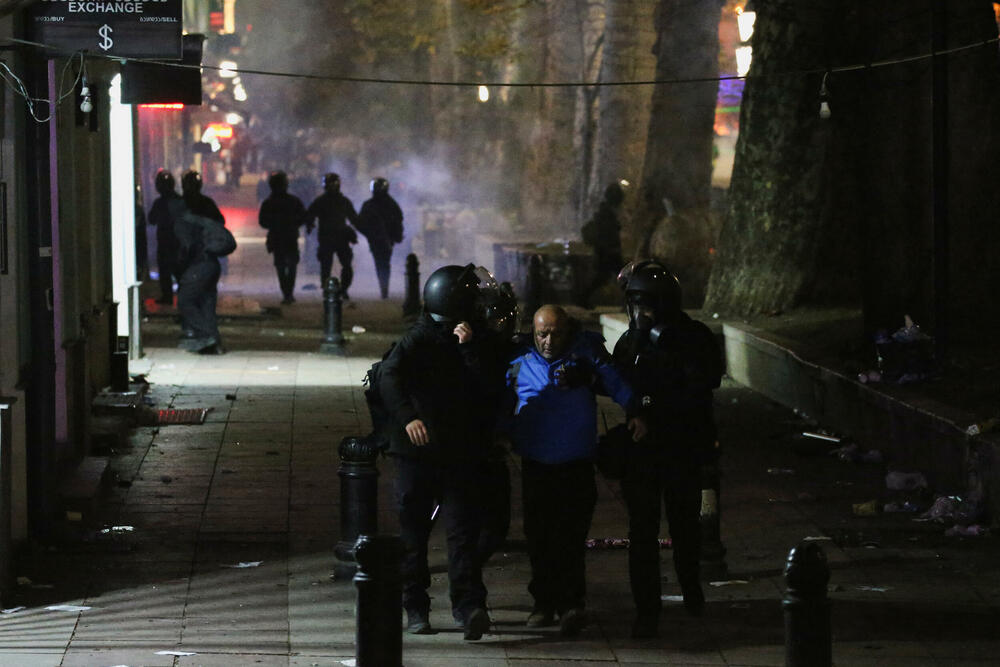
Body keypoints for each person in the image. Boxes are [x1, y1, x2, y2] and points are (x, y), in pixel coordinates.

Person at [379, 264, 507, 641]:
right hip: (416, 456)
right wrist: (408, 419)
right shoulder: (419, 338)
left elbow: (487, 386)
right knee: (413, 535)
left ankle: (469, 608)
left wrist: (469, 349)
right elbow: (389, 376)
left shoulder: (470, 338)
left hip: (457, 453)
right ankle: (415, 607)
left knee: (462, 534)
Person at [503, 305, 645, 637]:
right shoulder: (520, 356)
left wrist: (635, 410)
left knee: (569, 536)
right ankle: (544, 603)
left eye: (554, 333)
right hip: (536, 462)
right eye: (542, 334)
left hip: (575, 462)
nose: (548, 341)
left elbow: (614, 379)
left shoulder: (585, 353)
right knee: (539, 537)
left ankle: (571, 603)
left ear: (567, 331)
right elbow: (498, 391)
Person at [611, 260, 723, 638]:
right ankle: (647, 610)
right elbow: (617, 380)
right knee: (642, 533)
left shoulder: (694, 338)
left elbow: (705, 382)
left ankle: (691, 588)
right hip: (643, 453)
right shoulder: (631, 341)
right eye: (635, 308)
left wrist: (660, 402)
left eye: (646, 308)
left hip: (682, 449)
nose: (639, 315)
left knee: (685, 528)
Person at [306, 173, 360, 297]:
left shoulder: (321, 201)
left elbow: (310, 216)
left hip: (329, 237)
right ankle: (341, 290)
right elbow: (354, 219)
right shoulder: (342, 201)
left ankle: (329, 290)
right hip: (338, 237)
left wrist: (309, 226)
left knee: (329, 266)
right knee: (341, 265)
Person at [259, 171, 309, 304]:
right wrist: (293, 224)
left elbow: (263, 222)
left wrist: (275, 224)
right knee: (290, 265)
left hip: (278, 238)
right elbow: (303, 217)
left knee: (281, 265)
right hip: (289, 237)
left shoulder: (269, 202)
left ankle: (287, 292)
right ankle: (288, 292)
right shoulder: (293, 201)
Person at [356, 177, 403, 299]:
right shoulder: (390, 204)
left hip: (382, 239)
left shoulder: (371, 205)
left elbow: (359, 223)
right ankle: (384, 288)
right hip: (381, 239)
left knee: (381, 263)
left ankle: (384, 288)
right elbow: (399, 219)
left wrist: (371, 234)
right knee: (383, 263)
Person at [581, 182, 626, 307]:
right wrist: (615, 248)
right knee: (624, 277)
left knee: (603, 278)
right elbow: (609, 235)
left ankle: (583, 299)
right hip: (608, 253)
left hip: (605, 252)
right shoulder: (607, 214)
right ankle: (630, 302)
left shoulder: (605, 212)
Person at [147, 169, 183, 304]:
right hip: (177, 241)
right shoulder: (180, 201)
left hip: (165, 241)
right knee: (178, 271)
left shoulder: (159, 203)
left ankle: (167, 297)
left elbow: (151, 219)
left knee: (165, 271)